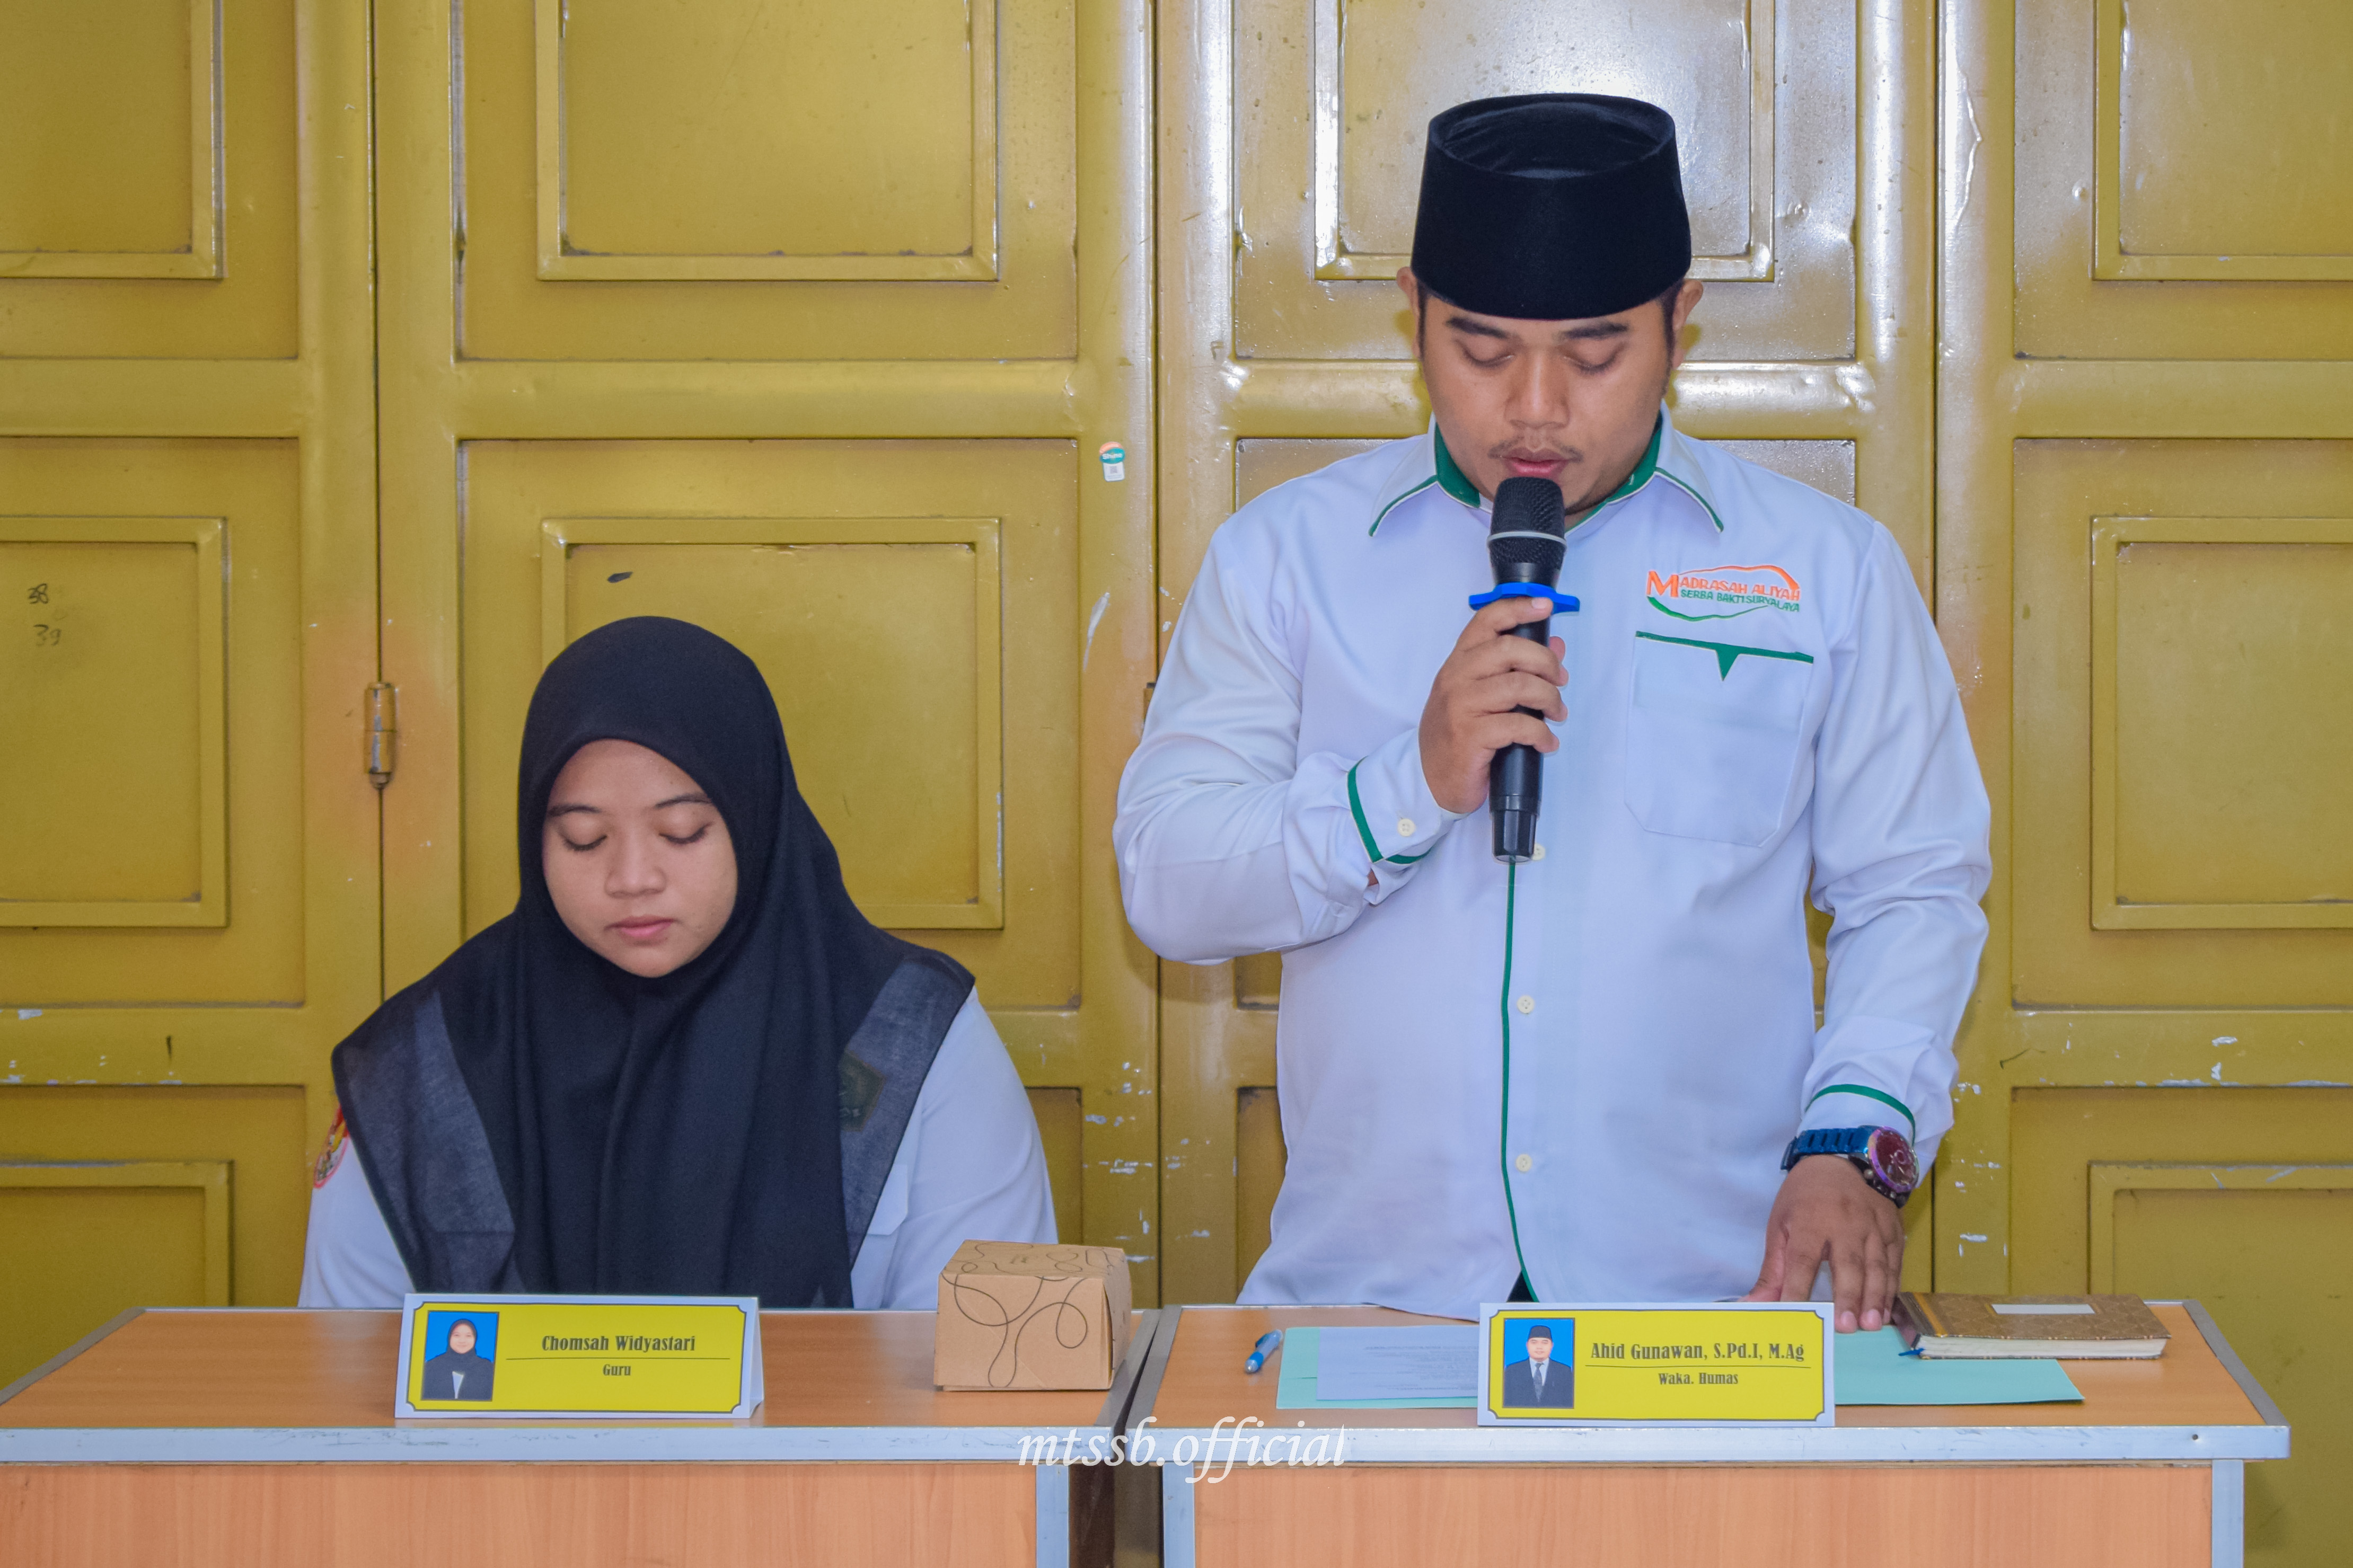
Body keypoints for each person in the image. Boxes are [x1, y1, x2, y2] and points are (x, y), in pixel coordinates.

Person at [1115, 94, 1989, 1332]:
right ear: (1414, 314)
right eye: (1481, 353)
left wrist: (1853, 1137)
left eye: (1591, 357)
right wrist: (1407, 783)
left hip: (1707, 1312)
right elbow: (1168, 882)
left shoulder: (1824, 570)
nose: (1533, 408)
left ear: (1679, 322)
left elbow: (1912, 887)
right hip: (1370, 1308)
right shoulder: (1286, 559)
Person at [300, 616, 1056, 1309]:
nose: (632, 877)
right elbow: (341, 1371)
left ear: (755, 818)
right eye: (584, 839)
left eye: (683, 831)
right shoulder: (428, 1060)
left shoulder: (907, 1039)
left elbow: (982, 1364)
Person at [420, 1316, 495, 1401]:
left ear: (475, 1339)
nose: (462, 1341)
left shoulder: (488, 1369)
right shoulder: (431, 1367)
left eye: (468, 1336)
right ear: (450, 1338)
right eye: (457, 1335)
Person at [1501, 1323, 1571, 1408]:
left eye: (1545, 1343)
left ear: (1552, 1346)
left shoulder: (1564, 1371)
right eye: (1534, 1342)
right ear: (1527, 1345)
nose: (1539, 1347)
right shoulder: (1513, 1371)